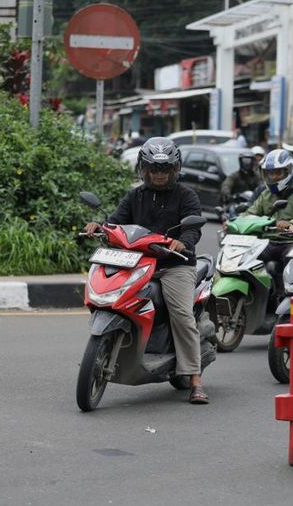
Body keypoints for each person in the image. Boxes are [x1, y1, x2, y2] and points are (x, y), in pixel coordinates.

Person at [84, 137, 209, 404]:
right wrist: (101, 226)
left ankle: (195, 380)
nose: (159, 175)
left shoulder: (186, 196)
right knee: (117, 297)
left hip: (175, 265)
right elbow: (117, 221)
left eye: (165, 170)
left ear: (175, 170)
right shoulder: (135, 195)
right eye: (154, 169)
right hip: (139, 262)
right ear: (144, 168)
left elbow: (193, 228)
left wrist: (183, 242)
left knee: (182, 315)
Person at [242, 149, 293, 295]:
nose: (274, 177)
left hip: (291, 241)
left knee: (291, 261)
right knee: (246, 256)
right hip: (268, 241)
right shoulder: (265, 194)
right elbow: (251, 212)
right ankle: (255, 294)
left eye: (278, 173)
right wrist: (236, 221)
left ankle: (286, 296)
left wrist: (292, 224)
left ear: (289, 172)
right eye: (270, 173)